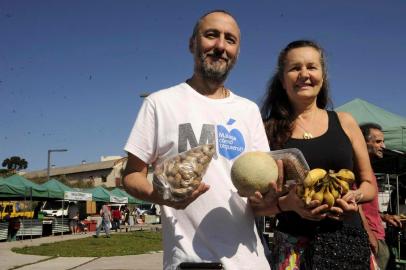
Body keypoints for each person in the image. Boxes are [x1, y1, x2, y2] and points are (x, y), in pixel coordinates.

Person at [123, 10, 273, 269]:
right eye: (211, 35)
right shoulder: (160, 103)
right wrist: (162, 197)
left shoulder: (248, 110)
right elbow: (131, 175)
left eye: (230, 40)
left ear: (237, 51)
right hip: (190, 262)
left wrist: (276, 199)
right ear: (193, 43)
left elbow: (260, 192)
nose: (220, 46)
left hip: (251, 262)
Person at [255, 40, 377, 269]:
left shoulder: (346, 122)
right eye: (295, 68)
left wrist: (355, 196)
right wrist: (287, 204)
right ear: (282, 80)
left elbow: (369, 183)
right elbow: (256, 205)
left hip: (348, 244)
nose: (304, 74)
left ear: (322, 75)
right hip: (294, 250)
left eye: (311, 67)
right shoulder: (265, 130)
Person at [360, 122, 403, 270]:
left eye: (383, 141)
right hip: (371, 239)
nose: (383, 146)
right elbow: (354, 206)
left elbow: (367, 208)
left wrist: (385, 217)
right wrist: (370, 236)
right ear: (363, 142)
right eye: (378, 141)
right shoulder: (356, 169)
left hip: (378, 235)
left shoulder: (367, 169)